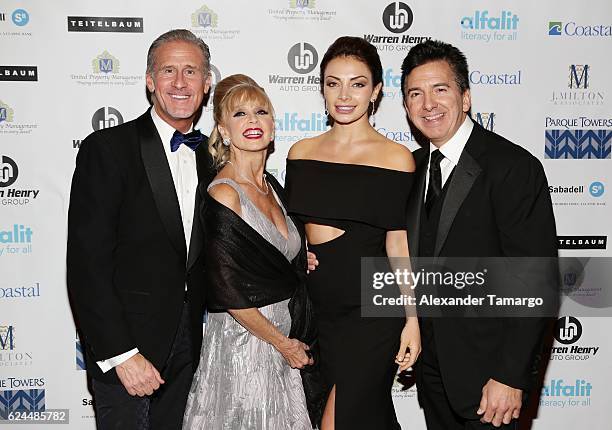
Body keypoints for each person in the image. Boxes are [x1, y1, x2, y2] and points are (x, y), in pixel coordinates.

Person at [401, 40, 557, 429]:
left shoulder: (511, 167)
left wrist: (509, 376)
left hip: (491, 378)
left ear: (465, 97)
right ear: (405, 107)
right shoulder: (411, 168)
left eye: (441, 89)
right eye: (415, 94)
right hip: (434, 374)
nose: (428, 104)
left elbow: (536, 278)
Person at [67, 29, 214, 429]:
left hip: (189, 350)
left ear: (207, 82)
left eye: (191, 71)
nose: (180, 83)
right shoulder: (109, 149)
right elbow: (86, 264)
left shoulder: (212, 157)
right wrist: (121, 354)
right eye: (168, 71)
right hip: (127, 350)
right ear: (150, 81)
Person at [285, 36, 421, 430]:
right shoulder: (300, 153)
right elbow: (291, 233)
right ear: (323, 89)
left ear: (376, 91)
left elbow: (398, 244)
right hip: (316, 312)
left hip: (371, 311)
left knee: (337, 420)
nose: (344, 95)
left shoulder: (396, 158)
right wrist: (298, 255)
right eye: (333, 83)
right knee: (365, 417)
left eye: (358, 84)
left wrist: (412, 319)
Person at [182, 74, 318, 429]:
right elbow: (229, 290)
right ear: (224, 131)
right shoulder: (225, 193)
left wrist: (299, 261)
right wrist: (283, 344)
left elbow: (273, 257)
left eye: (261, 112)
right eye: (239, 114)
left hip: (282, 340)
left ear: (273, 127)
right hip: (245, 344)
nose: (253, 121)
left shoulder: (274, 187)